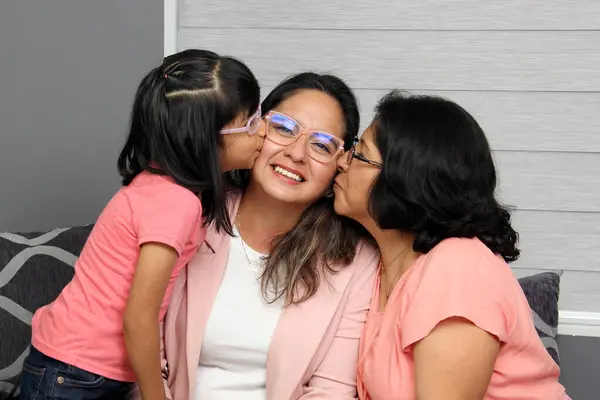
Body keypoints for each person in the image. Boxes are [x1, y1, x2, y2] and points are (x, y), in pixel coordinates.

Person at [20, 49, 265, 400]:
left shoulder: (161, 183)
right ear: (205, 141)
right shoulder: (175, 204)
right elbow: (139, 317)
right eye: (252, 122)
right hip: (75, 373)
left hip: (72, 366)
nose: (264, 130)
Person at [149, 72, 380, 400]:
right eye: (284, 128)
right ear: (256, 128)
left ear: (340, 164)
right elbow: (144, 348)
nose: (297, 154)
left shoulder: (355, 262)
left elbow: (331, 390)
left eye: (322, 145)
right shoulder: (193, 213)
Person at [333, 90, 570, 400]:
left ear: (403, 179)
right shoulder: (380, 264)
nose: (340, 161)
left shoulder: (459, 267)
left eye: (358, 153)